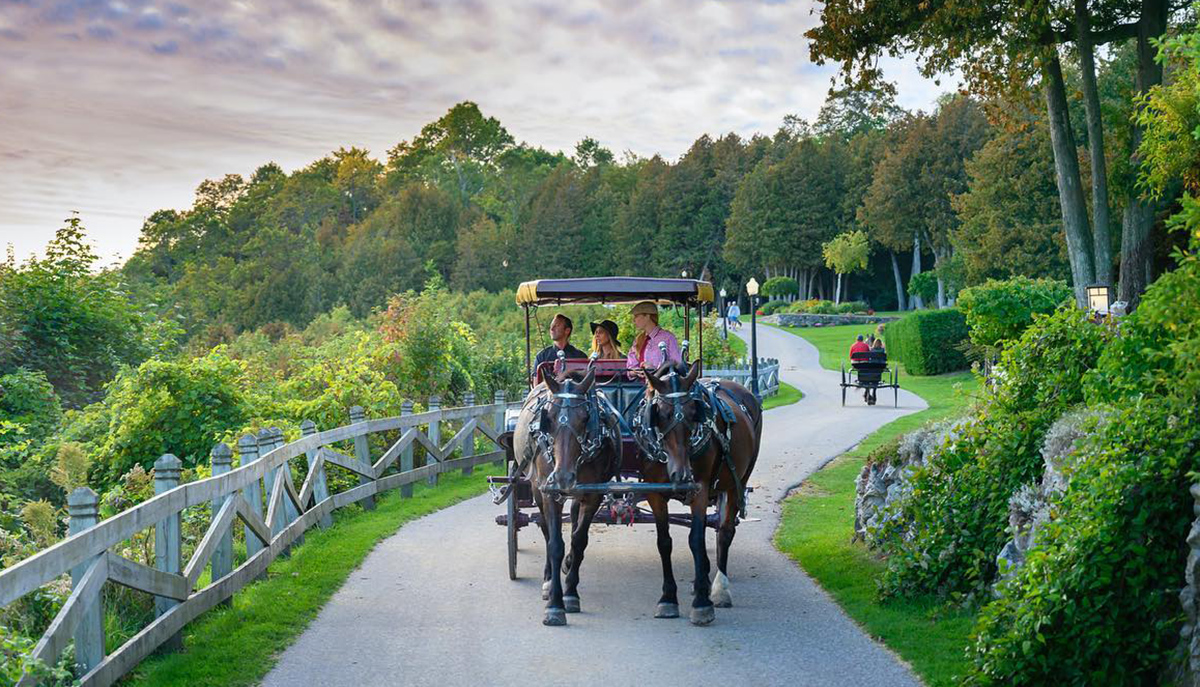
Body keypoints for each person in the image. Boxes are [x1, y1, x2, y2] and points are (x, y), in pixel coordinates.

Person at [627, 301, 681, 374]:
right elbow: (630, 368)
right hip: (640, 384)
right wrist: (637, 372)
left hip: (661, 384)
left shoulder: (668, 338)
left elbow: (677, 366)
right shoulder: (638, 340)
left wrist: (655, 370)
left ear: (647, 316)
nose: (633, 320)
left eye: (636, 316)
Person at [534, 313, 587, 377]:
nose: (552, 329)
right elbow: (536, 383)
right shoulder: (542, 356)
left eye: (556, 325)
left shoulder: (580, 356)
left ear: (567, 330)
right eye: (551, 326)